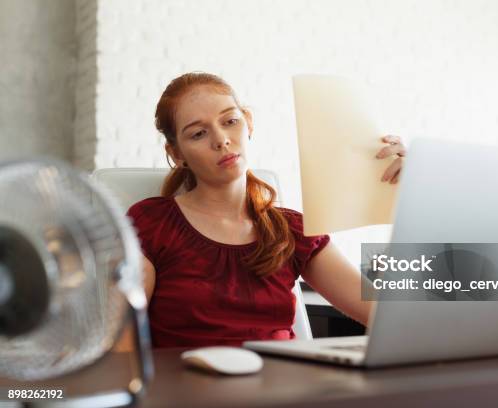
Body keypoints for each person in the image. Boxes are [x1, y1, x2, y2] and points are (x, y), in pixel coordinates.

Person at [114, 72, 407, 350]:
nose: (221, 140)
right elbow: (121, 348)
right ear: (176, 154)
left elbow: (392, 316)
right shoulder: (150, 223)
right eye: (199, 134)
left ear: (249, 122)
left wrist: (422, 196)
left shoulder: (292, 229)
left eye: (230, 120)